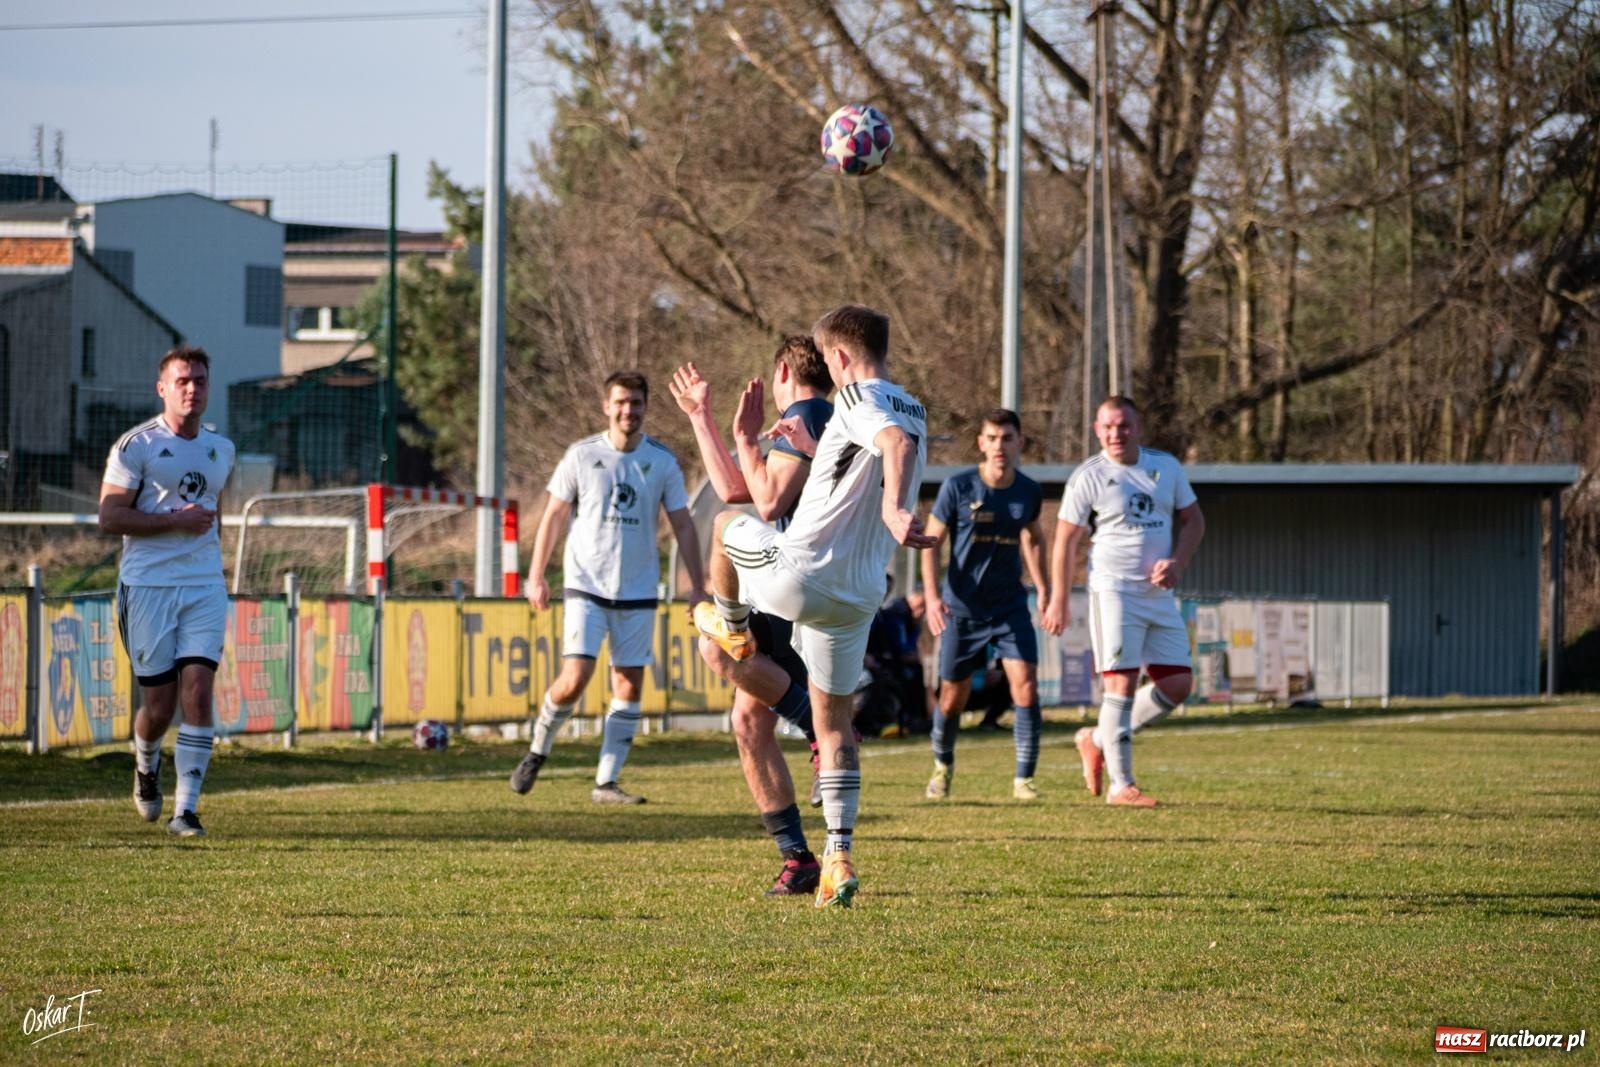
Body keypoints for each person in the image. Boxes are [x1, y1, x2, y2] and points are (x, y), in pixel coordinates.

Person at [696, 304, 932, 908]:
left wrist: (895, 509)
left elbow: (892, 444)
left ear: (842, 358)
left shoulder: (858, 399)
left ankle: (732, 625)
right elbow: (872, 452)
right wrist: (816, 447)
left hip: (800, 576)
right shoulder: (913, 405)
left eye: (830, 359)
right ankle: (839, 856)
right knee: (833, 729)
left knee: (725, 524)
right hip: (856, 600)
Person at [666, 337, 834, 896]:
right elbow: (738, 487)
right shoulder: (809, 420)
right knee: (746, 721)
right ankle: (799, 859)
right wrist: (702, 419)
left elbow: (763, 505)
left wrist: (737, 432)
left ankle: (814, 724)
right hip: (786, 589)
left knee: (718, 645)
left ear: (783, 370)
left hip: (796, 589)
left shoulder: (808, 414)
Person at [509, 371, 707, 804]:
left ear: (645, 407)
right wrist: (537, 575)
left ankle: (606, 782)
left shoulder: (662, 461)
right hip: (586, 584)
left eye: (635, 403)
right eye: (620, 402)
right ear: (606, 406)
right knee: (575, 678)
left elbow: (684, 526)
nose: (628, 410)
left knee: (630, 684)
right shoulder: (582, 455)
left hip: (637, 590)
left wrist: (698, 586)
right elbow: (555, 516)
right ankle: (538, 750)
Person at [98, 345, 237, 838]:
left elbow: (220, 515)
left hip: (203, 586)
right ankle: (146, 765)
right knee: (158, 708)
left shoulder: (223, 449)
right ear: (162, 388)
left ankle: (187, 810)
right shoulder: (136, 446)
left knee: (198, 692)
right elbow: (110, 516)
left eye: (199, 380)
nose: (191, 389)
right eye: (182, 381)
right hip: (149, 587)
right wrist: (171, 521)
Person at [1042, 396, 1206, 807]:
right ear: (1097, 430)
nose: (1116, 434)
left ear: (1138, 426)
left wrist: (1177, 562)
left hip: (1158, 593)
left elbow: (1194, 521)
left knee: (1178, 684)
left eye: (1124, 426)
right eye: (1108, 427)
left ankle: (1096, 739)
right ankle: (1121, 785)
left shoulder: (1165, 467)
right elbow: (1064, 540)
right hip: (1112, 590)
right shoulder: (1088, 477)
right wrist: (1059, 599)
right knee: (1122, 683)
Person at [920, 409, 1050, 801]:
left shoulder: (1028, 491)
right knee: (951, 697)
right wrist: (931, 598)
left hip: (1010, 607)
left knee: (1025, 686)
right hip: (962, 609)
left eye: (1007, 438)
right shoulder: (958, 487)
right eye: (991, 438)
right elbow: (931, 542)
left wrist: (1044, 589)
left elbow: (1034, 537)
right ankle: (942, 767)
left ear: (1019, 443)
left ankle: (1023, 780)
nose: (999, 446)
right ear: (981, 442)